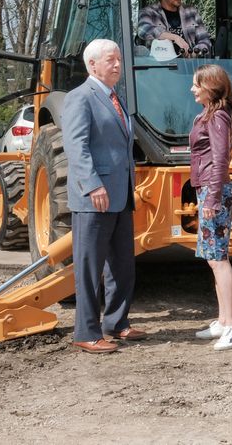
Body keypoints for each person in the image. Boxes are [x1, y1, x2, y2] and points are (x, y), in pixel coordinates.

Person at [63, 38, 147, 353]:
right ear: (92, 64)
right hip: (94, 197)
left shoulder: (116, 98)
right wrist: (92, 183)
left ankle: (117, 322)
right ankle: (86, 331)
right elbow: (76, 145)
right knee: (89, 266)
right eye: (111, 60)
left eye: (119, 60)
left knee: (122, 264)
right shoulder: (80, 98)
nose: (117, 65)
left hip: (120, 196)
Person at [187, 63, 232, 350]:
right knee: (213, 258)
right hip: (210, 189)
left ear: (210, 87)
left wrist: (210, 198)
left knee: (219, 259)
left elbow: (221, 158)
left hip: (214, 190)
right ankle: (222, 321)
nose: (192, 89)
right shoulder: (211, 115)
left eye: (197, 84)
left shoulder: (217, 116)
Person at [137, 0, 213, 57]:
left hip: (189, 66)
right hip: (159, 67)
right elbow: (143, 29)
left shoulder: (191, 12)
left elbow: (205, 40)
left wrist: (195, 52)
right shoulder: (149, 12)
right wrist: (175, 37)